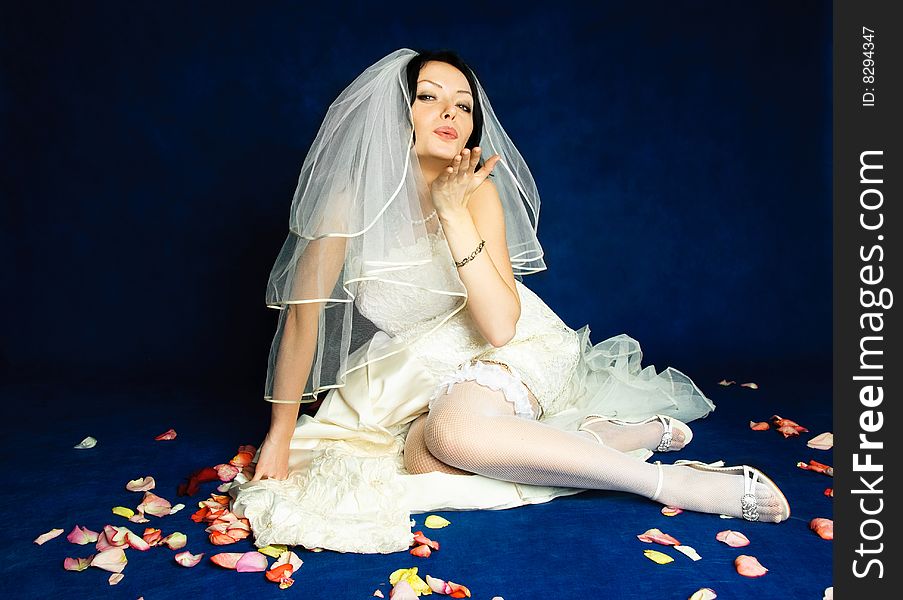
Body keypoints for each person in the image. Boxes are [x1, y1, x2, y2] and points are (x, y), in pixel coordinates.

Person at [228, 48, 790, 554]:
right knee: (424, 463)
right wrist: (279, 436)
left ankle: (674, 483)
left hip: (510, 347)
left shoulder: (478, 193)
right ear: (397, 115)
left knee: (452, 438)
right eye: (429, 98)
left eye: (463, 106)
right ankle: (597, 438)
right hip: (419, 376)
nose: (450, 114)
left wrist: (452, 212)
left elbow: (498, 325)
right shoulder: (346, 207)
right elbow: (302, 322)